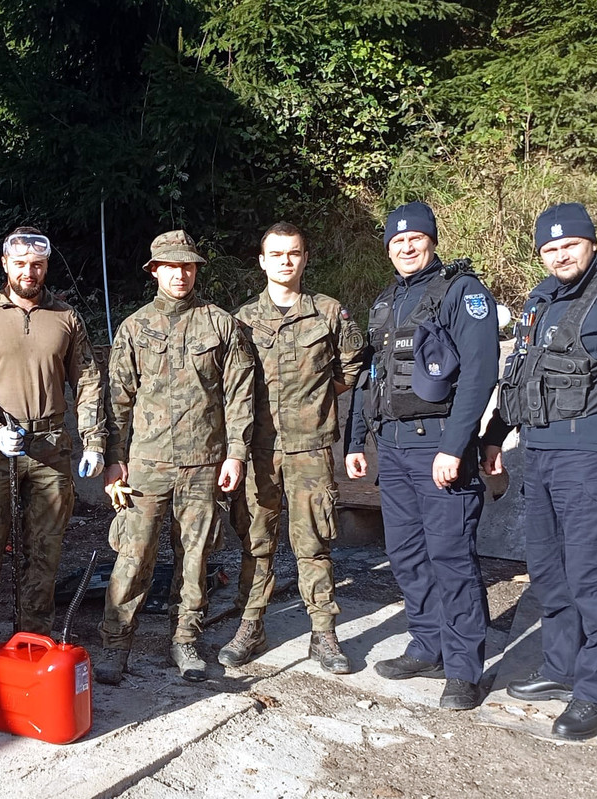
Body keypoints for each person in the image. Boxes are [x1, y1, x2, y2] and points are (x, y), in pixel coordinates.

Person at [480, 202, 597, 740]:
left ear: (590, 242)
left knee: (594, 577)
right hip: (538, 454)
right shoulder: (541, 300)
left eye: (569, 244)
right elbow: (518, 375)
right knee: (548, 571)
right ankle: (561, 669)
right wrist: (495, 437)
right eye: (549, 247)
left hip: (592, 457)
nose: (560, 254)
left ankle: (595, 693)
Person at [345, 201, 499, 711]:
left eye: (415, 238)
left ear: (432, 240)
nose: (407, 247)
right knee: (407, 556)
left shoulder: (462, 293)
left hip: (438, 449)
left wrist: (455, 446)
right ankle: (427, 645)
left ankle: (463, 669)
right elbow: (374, 378)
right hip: (392, 449)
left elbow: (479, 374)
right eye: (397, 241)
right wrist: (357, 442)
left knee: (451, 558)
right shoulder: (387, 301)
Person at [0, 227, 106, 693]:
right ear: (5, 264)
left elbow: (90, 380)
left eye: (36, 264)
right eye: (20, 263)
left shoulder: (66, 318)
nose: (28, 272)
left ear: (45, 268)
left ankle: (32, 642)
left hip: (51, 450)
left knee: (44, 555)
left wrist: (93, 439)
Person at [93, 230, 254, 684]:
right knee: (132, 553)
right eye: (171, 266)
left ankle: (186, 639)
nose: (180, 274)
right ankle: (116, 643)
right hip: (145, 466)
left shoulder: (220, 324)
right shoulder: (134, 328)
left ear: (195, 270)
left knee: (195, 557)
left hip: (204, 462)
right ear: (155, 271)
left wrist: (235, 454)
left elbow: (238, 395)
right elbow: (117, 401)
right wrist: (113, 460)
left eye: (187, 266)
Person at [221, 222, 364, 674]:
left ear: (305, 258)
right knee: (255, 541)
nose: (286, 260)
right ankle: (250, 624)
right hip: (258, 448)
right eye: (277, 253)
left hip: (308, 449)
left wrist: (314, 406)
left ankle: (323, 632)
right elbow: (230, 386)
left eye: (294, 253)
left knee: (314, 542)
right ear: (261, 261)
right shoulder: (241, 320)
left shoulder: (328, 313)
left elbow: (351, 370)